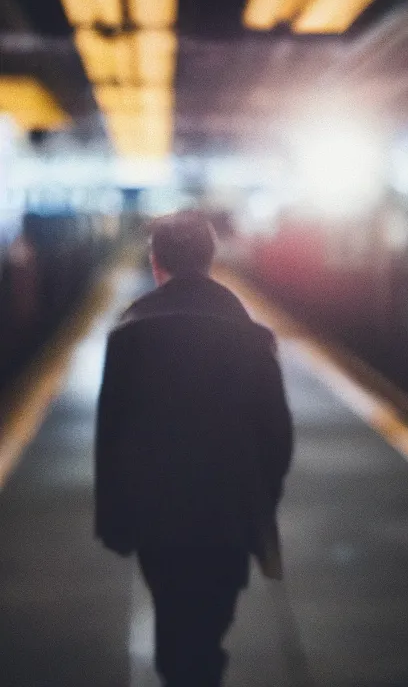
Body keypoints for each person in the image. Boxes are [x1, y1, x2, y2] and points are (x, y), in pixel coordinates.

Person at [95, 211, 293, 687]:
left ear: (155, 261)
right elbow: (277, 437)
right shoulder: (252, 337)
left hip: (157, 518)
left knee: (174, 619)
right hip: (228, 516)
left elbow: (111, 437)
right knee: (208, 629)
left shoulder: (129, 336)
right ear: (211, 258)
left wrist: (114, 519)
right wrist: (259, 503)